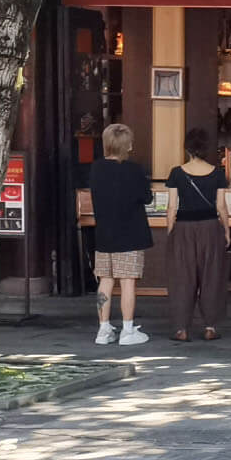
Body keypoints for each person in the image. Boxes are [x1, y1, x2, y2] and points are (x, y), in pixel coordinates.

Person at [89, 123, 152, 345]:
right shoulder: (133, 170)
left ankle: (103, 329)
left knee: (105, 281)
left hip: (105, 233)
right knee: (127, 282)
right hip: (130, 233)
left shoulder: (96, 168)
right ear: (128, 145)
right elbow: (147, 197)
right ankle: (127, 330)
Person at [164, 128, 228, 342]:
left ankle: (181, 329)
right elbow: (221, 207)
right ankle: (210, 327)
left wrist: (170, 231)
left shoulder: (177, 173)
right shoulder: (217, 173)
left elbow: (171, 207)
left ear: (187, 148)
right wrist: (226, 230)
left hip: (183, 228)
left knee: (183, 278)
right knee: (212, 277)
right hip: (210, 227)